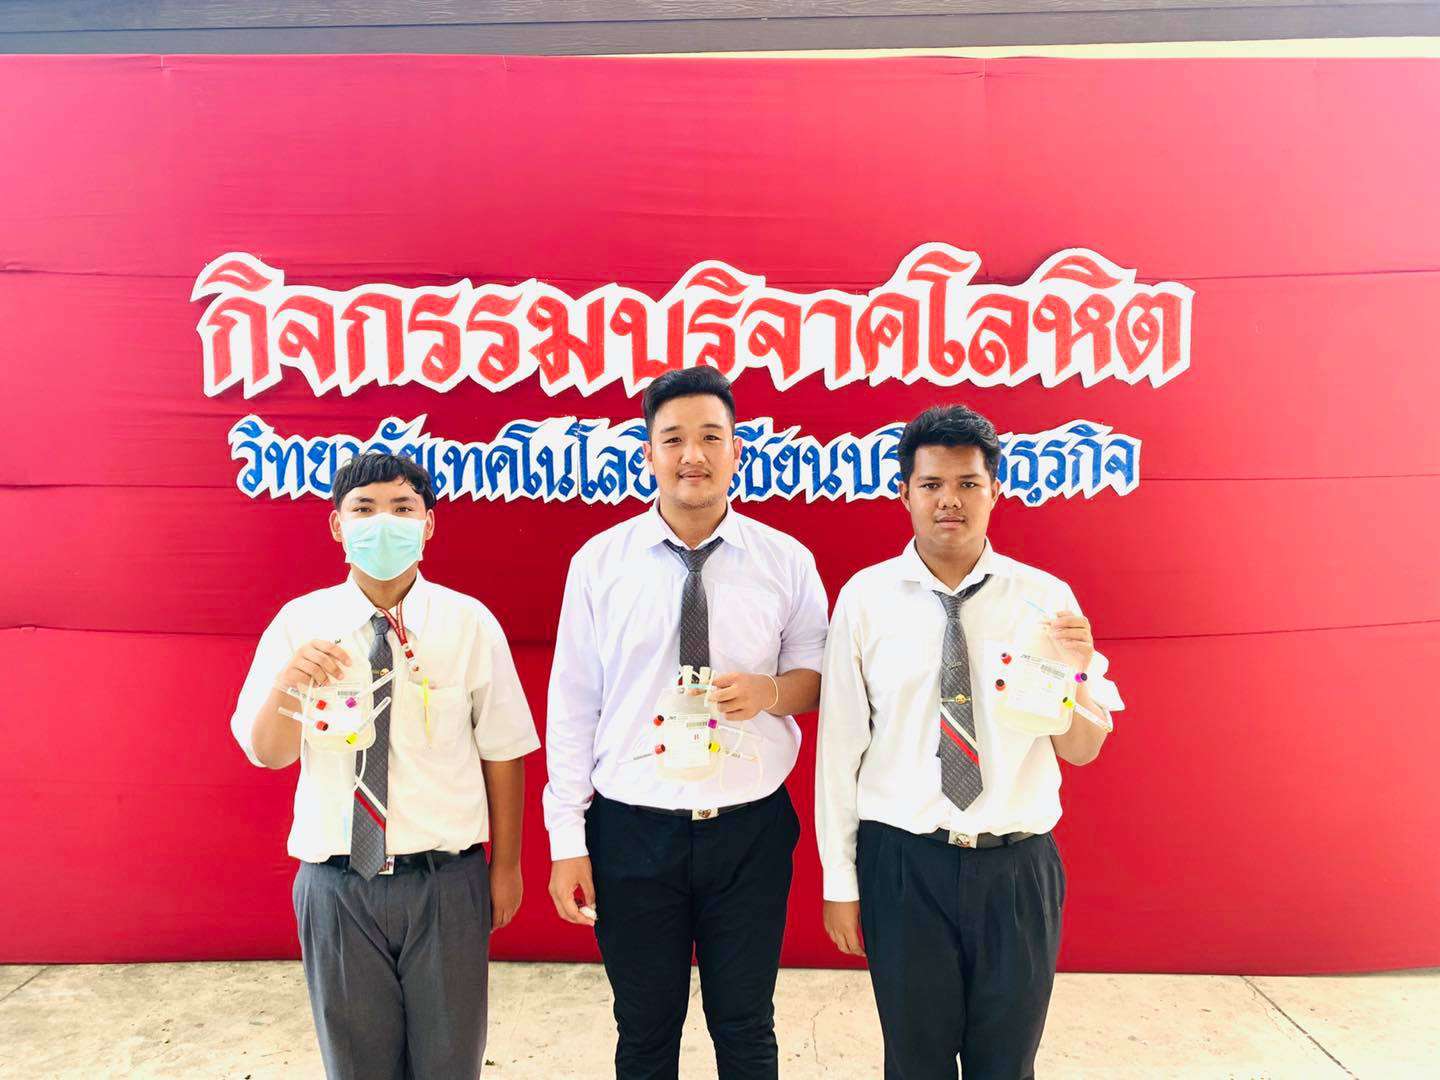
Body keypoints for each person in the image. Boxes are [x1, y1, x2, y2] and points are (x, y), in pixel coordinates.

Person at [816, 404, 1125, 1080]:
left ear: (995, 492)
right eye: (931, 484)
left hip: (1017, 870)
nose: (949, 500)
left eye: (967, 484)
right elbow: (839, 751)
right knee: (915, 1065)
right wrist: (839, 880)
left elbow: (1081, 749)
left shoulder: (1046, 599)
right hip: (905, 864)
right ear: (905, 493)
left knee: (1006, 1066)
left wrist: (1076, 672)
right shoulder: (866, 599)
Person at [543, 366, 829, 1079]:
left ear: (736, 450)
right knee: (644, 1032)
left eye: (710, 437)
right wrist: (567, 840)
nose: (692, 455)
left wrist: (768, 691)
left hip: (749, 830)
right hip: (631, 832)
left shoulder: (785, 561)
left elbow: (818, 680)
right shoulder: (600, 564)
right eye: (673, 439)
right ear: (648, 453)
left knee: (746, 1027)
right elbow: (573, 705)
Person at [229, 451, 539, 1080]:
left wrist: (505, 867)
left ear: (429, 523)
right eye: (364, 509)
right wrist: (290, 682)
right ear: (337, 525)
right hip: (337, 886)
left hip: (444, 882)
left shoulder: (467, 623)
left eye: (402, 508)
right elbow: (268, 753)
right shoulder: (300, 624)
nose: (383, 524)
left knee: (450, 1064)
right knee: (357, 1067)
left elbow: (503, 751)